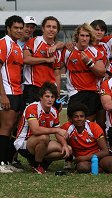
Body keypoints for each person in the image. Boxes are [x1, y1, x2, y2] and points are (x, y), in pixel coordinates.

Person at [61, 103, 112, 175]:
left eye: (81, 116)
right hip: (85, 162)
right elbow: (58, 134)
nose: (79, 119)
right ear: (71, 119)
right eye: (76, 117)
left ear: (85, 117)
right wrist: (65, 145)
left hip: (99, 156)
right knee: (82, 167)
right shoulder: (68, 127)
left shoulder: (94, 127)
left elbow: (105, 151)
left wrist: (84, 157)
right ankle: (102, 169)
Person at [14, 82, 72, 174]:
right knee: (44, 137)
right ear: (41, 97)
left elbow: (58, 134)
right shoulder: (32, 107)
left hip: (41, 144)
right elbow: (36, 130)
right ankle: (37, 166)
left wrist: (64, 144)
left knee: (67, 149)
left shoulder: (54, 111)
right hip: (24, 143)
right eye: (47, 96)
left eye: (52, 97)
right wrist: (57, 130)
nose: (50, 100)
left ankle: (38, 162)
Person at [61, 23, 106, 122]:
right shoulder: (68, 51)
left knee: (90, 125)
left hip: (92, 93)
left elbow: (102, 72)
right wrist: (63, 44)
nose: (84, 38)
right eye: (82, 35)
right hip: (76, 93)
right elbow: (58, 67)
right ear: (77, 36)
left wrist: (89, 63)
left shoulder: (95, 52)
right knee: (74, 125)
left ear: (90, 37)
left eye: (87, 36)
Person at [0, 15, 24, 173]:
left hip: (17, 91)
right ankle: (1, 163)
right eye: (15, 28)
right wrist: (2, 95)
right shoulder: (4, 43)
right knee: (5, 127)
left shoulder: (18, 46)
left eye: (21, 28)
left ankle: (8, 160)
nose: (19, 30)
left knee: (14, 127)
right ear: (8, 28)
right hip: (7, 92)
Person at [23, 16, 63, 106]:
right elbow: (26, 59)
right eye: (48, 26)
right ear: (43, 28)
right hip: (33, 88)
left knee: (49, 118)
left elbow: (57, 74)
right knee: (30, 118)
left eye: (54, 27)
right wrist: (46, 59)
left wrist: (58, 96)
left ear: (57, 30)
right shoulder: (34, 41)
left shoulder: (58, 50)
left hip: (50, 91)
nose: (51, 30)